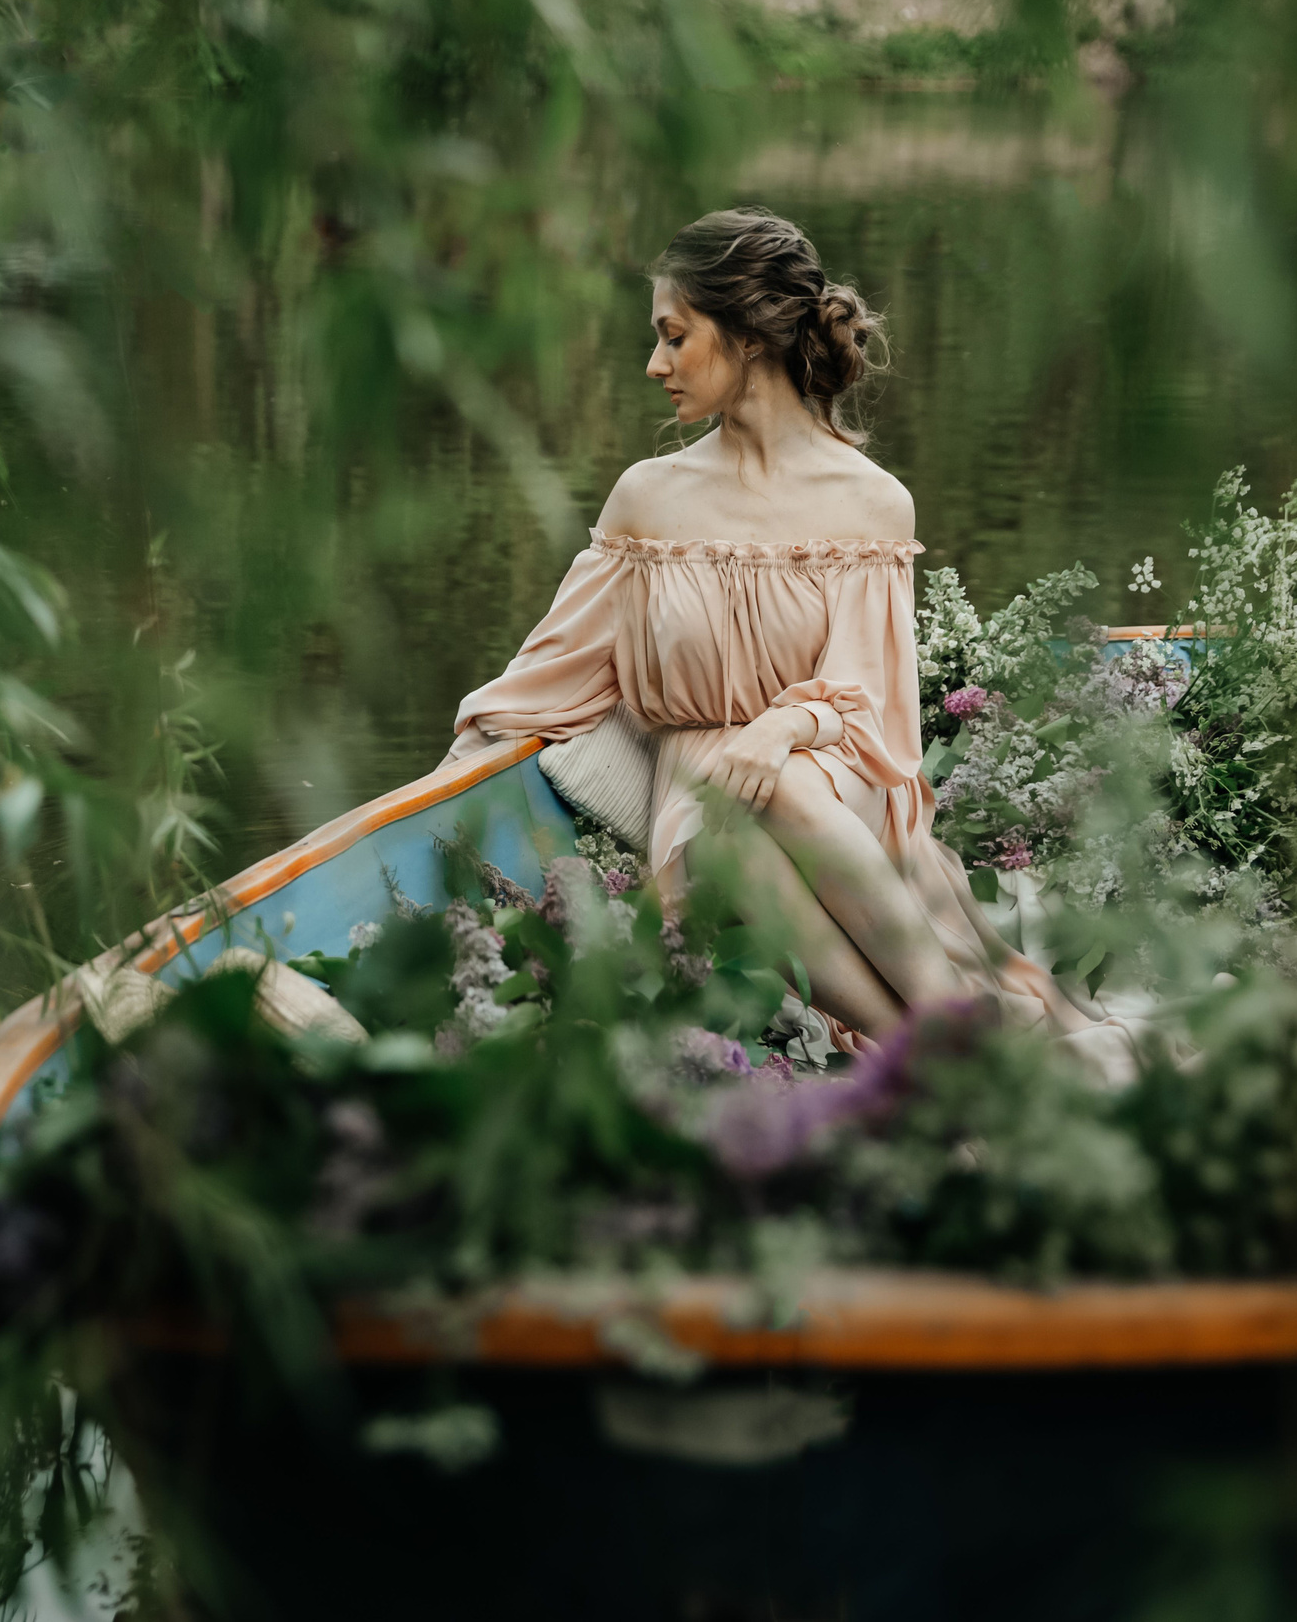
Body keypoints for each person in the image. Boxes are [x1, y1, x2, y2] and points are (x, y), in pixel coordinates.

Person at [444, 206, 1110, 1055]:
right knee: (734, 837)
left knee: (784, 784)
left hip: (841, 774)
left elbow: (874, 707)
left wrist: (784, 726)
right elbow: (547, 670)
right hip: (708, 791)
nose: (655, 365)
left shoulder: (871, 501)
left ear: (749, 334)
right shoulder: (648, 500)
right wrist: (455, 769)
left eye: (673, 336)